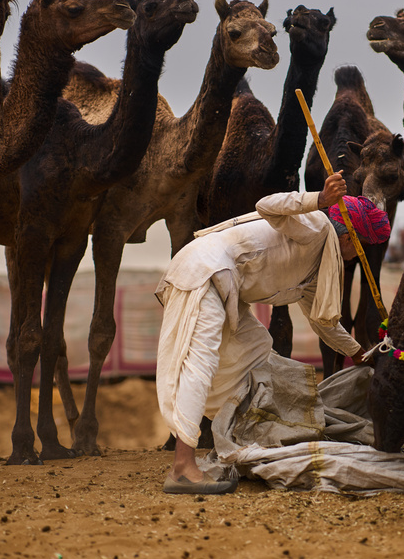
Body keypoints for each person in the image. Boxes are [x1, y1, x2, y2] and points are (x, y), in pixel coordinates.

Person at [155, 170, 391, 494]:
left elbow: (324, 323)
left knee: (255, 348)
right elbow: (267, 205)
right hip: (206, 272)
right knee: (202, 362)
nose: (357, 256)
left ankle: (240, 437)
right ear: (351, 237)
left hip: (224, 287)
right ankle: (182, 467)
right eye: (363, 246)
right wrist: (318, 201)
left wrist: (361, 356)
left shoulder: (317, 266)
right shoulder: (318, 227)